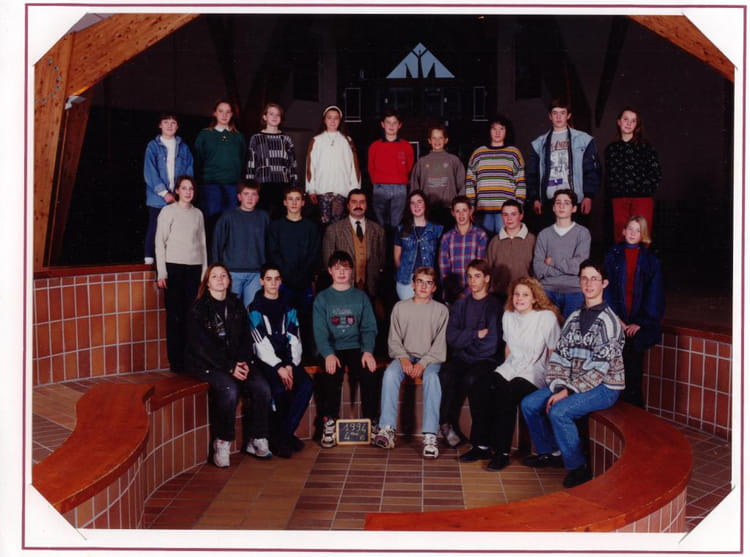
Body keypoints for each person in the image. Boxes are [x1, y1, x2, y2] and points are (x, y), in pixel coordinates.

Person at [520, 260, 624, 488]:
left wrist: (567, 391)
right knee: (529, 404)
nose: (588, 283)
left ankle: (579, 467)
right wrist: (559, 385)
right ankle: (551, 453)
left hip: (604, 386)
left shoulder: (609, 322)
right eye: (584, 278)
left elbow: (599, 369)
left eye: (594, 279)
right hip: (571, 381)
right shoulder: (574, 317)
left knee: (559, 412)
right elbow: (560, 355)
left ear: (604, 283)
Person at [461, 277, 561, 470]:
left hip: (535, 371)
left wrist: (553, 383)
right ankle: (481, 446)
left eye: (525, 295)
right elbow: (509, 349)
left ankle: (502, 453)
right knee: (479, 388)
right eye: (516, 294)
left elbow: (553, 351)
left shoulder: (546, 317)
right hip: (511, 367)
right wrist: (504, 373)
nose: (519, 298)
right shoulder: (508, 315)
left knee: (505, 394)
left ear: (534, 298)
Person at [184, 264, 273, 467]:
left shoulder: (236, 304)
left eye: (223, 275)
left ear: (229, 281)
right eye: (214, 276)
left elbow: (245, 338)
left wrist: (243, 362)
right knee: (229, 390)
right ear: (207, 283)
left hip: (235, 362)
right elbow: (202, 347)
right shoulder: (198, 308)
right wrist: (230, 367)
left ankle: (257, 438)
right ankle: (222, 442)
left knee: (262, 387)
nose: (220, 279)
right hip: (207, 364)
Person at [374, 266, 449, 459]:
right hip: (405, 356)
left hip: (430, 359)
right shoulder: (400, 307)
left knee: (432, 379)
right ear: (413, 285)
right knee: (390, 374)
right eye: (420, 282)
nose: (423, 286)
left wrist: (422, 363)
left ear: (434, 287)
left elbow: (439, 345)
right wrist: (404, 359)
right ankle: (387, 429)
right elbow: (394, 340)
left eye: (428, 283)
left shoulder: (441, 310)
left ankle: (430, 436)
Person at [312, 251, 380, 448]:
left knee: (370, 371)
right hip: (333, 347)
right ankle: (329, 422)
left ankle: (372, 422)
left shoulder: (361, 297)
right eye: (337, 268)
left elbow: (369, 327)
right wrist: (328, 354)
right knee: (330, 374)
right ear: (330, 271)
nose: (342, 273)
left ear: (352, 271)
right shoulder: (322, 298)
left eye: (346, 268)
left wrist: (368, 351)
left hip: (356, 346)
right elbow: (320, 331)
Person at [248, 264, 314, 458]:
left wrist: (290, 365)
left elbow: (295, 337)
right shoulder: (254, 308)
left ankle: (282, 436)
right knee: (278, 389)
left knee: (306, 385)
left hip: (288, 360)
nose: (273, 283)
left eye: (277, 279)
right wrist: (278, 367)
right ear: (261, 281)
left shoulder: (289, 306)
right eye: (269, 279)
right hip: (266, 362)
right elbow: (260, 343)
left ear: (281, 281)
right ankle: (284, 437)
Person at [439, 259, 502, 449]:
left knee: (471, 379)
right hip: (463, 357)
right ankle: (446, 424)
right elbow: (451, 337)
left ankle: (481, 440)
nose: (473, 281)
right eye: (470, 276)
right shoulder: (461, 304)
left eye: (477, 276)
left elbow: (491, 344)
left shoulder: (494, 305)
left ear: (487, 278)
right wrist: (475, 334)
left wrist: (465, 340)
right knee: (446, 374)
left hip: (486, 359)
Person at [604, 216, 664, 407]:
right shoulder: (612, 255)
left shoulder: (651, 260)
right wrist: (617, 319)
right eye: (630, 229)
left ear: (643, 234)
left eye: (637, 230)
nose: (632, 233)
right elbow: (607, 290)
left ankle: (635, 410)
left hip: (637, 323)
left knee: (634, 369)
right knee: (615, 367)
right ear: (623, 231)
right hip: (617, 319)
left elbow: (654, 295)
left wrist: (641, 323)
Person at [155, 175, 207, 373]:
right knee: (175, 316)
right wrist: (162, 272)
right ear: (177, 191)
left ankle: (190, 359)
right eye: (184, 188)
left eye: (191, 188)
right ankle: (175, 362)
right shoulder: (168, 212)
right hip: (174, 268)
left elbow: (202, 244)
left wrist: (204, 273)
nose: (188, 192)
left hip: (194, 268)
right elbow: (160, 243)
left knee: (192, 316)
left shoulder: (198, 214)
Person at [526, 99, 600, 228]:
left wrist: (589, 196)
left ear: (569, 115)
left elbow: (591, 170)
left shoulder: (583, 139)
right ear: (550, 116)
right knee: (550, 238)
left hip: (575, 200)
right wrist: (535, 198)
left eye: (562, 113)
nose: (559, 117)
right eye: (555, 113)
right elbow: (532, 174)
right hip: (550, 201)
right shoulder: (539, 143)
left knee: (575, 237)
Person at [143, 112, 194, 265]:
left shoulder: (184, 148)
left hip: (177, 197)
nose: (169, 126)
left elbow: (189, 171)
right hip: (158, 197)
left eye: (173, 123)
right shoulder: (153, 146)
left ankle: (172, 260)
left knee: (176, 230)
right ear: (160, 125)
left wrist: (182, 192)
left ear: (177, 126)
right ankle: (149, 261)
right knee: (155, 228)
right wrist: (164, 193)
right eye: (166, 122)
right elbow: (150, 171)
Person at [533, 189, 591, 320]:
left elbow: (578, 267)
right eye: (558, 202)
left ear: (574, 208)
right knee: (547, 330)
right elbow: (538, 268)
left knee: (571, 330)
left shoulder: (583, 233)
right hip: (547, 290)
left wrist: (552, 262)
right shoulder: (544, 234)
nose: (561, 206)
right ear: (553, 207)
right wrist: (566, 269)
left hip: (574, 290)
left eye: (566, 203)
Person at [605, 107, 662, 239]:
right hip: (619, 199)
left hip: (642, 198)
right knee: (620, 235)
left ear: (637, 125)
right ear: (619, 122)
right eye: (626, 119)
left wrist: (645, 190)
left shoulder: (646, 147)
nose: (629, 123)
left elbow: (656, 173)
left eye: (633, 121)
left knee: (641, 235)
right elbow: (609, 176)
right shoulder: (611, 149)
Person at [212, 181, 270, 308]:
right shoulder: (228, 217)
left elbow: (269, 245)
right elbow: (217, 244)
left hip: (256, 273)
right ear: (239, 197)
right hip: (232, 272)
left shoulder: (264, 217)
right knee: (231, 310)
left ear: (258, 197)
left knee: (252, 310)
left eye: (254, 194)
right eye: (246, 194)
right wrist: (217, 270)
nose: (250, 198)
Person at [465, 114, 526, 235]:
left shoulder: (514, 153)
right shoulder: (478, 153)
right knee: (484, 244)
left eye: (501, 129)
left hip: (506, 211)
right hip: (483, 210)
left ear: (506, 131)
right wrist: (470, 205)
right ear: (489, 131)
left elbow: (521, 182)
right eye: (494, 129)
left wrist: (519, 207)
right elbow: (470, 181)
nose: (497, 132)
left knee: (505, 243)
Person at [321, 189, 386, 301]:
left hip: (371, 288)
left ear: (366, 205)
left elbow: (382, 260)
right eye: (354, 202)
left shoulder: (378, 230)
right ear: (348, 205)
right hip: (342, 288)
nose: (358, 206)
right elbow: (328, 262)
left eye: (362, 202)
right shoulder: (333, 230)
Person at [194, 99, 247, 229]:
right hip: (210, 184)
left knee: (231, 222)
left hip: (233, 185)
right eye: (221, 111)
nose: (224, 115)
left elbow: (243, 159)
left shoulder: (238, 137)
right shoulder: (205, 135)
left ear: (232, 114)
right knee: (212, 221)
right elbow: (198, 159)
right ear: (215, 113)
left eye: (228, 112)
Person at [305, 105, 361, 225]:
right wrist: (311, 189)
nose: (332, 121)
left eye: (336, 118)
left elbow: (354, 166)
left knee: (338, 225)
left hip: (342, 191)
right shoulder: (316, 140)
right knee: (324, 224)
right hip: (322, 190)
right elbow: (310, 166)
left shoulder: (347, 140)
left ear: (340, 120)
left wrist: (354, 188)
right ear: (324, 120)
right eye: (329, 117)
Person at [246, 102, 299, 220]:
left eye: (277, 114)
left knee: (281, 217)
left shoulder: (286, 139)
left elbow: (292, 164)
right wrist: (250, 185)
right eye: (271, 114)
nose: (274, 117)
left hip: (282, 184)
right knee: (261, 217)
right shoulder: (256, 138)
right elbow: (251, 163)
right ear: (264, 117)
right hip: (262, 184)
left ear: (281, 118)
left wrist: (294, 185)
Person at [410, 124, 465, 228]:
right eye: (434, 138)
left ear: (446, 140)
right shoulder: (422, 162)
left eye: (440, 138)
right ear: (429, 140)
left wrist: (459, 206)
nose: (437, 141)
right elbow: (414, 187)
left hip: (449, 209)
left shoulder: (454, 160)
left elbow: (463, 185)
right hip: (428, 209)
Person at [368, 108, 415, 230]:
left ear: (400, 125)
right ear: (382, 124)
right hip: (379, 187)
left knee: (396, 223)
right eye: (388, 122)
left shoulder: (406, 146)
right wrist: (376, 183)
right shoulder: (374, 146)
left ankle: (395, 242)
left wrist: (400, 178)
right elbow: (371, 167)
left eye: (395, 123)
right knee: (379, 223)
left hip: (400, 188)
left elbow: (409, 165)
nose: (391, 126)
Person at [393, 190, 444, 300]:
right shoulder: (401, 229)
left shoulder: (437, 230)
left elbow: (440, 257)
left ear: (425, 204)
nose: (416, 206)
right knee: (408, 309)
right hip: (406, 279)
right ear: (409, 207)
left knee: (425, 309)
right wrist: (405, 273)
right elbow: (397, 258)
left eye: (419, 202)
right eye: (412, 203)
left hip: (428, 279)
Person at [438, 196, 488, 304]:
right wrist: (454, 294)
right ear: (453, 213)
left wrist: (466, 293)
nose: (461, 215)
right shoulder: (447, 237)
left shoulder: (480, 235)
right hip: (452, 296)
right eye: (457, 211)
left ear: (470, 211)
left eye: (464, 210)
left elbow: (481, 268)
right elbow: (444, 270)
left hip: (475, 294)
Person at [486, 199, 535, 304]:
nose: (509, 218)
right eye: (505, 215)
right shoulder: (495, 241)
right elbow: (488, 269)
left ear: (521, 216)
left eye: (513, 214)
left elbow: (536, 271)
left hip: (524, 296)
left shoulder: (532, 240)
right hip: (499, 296)